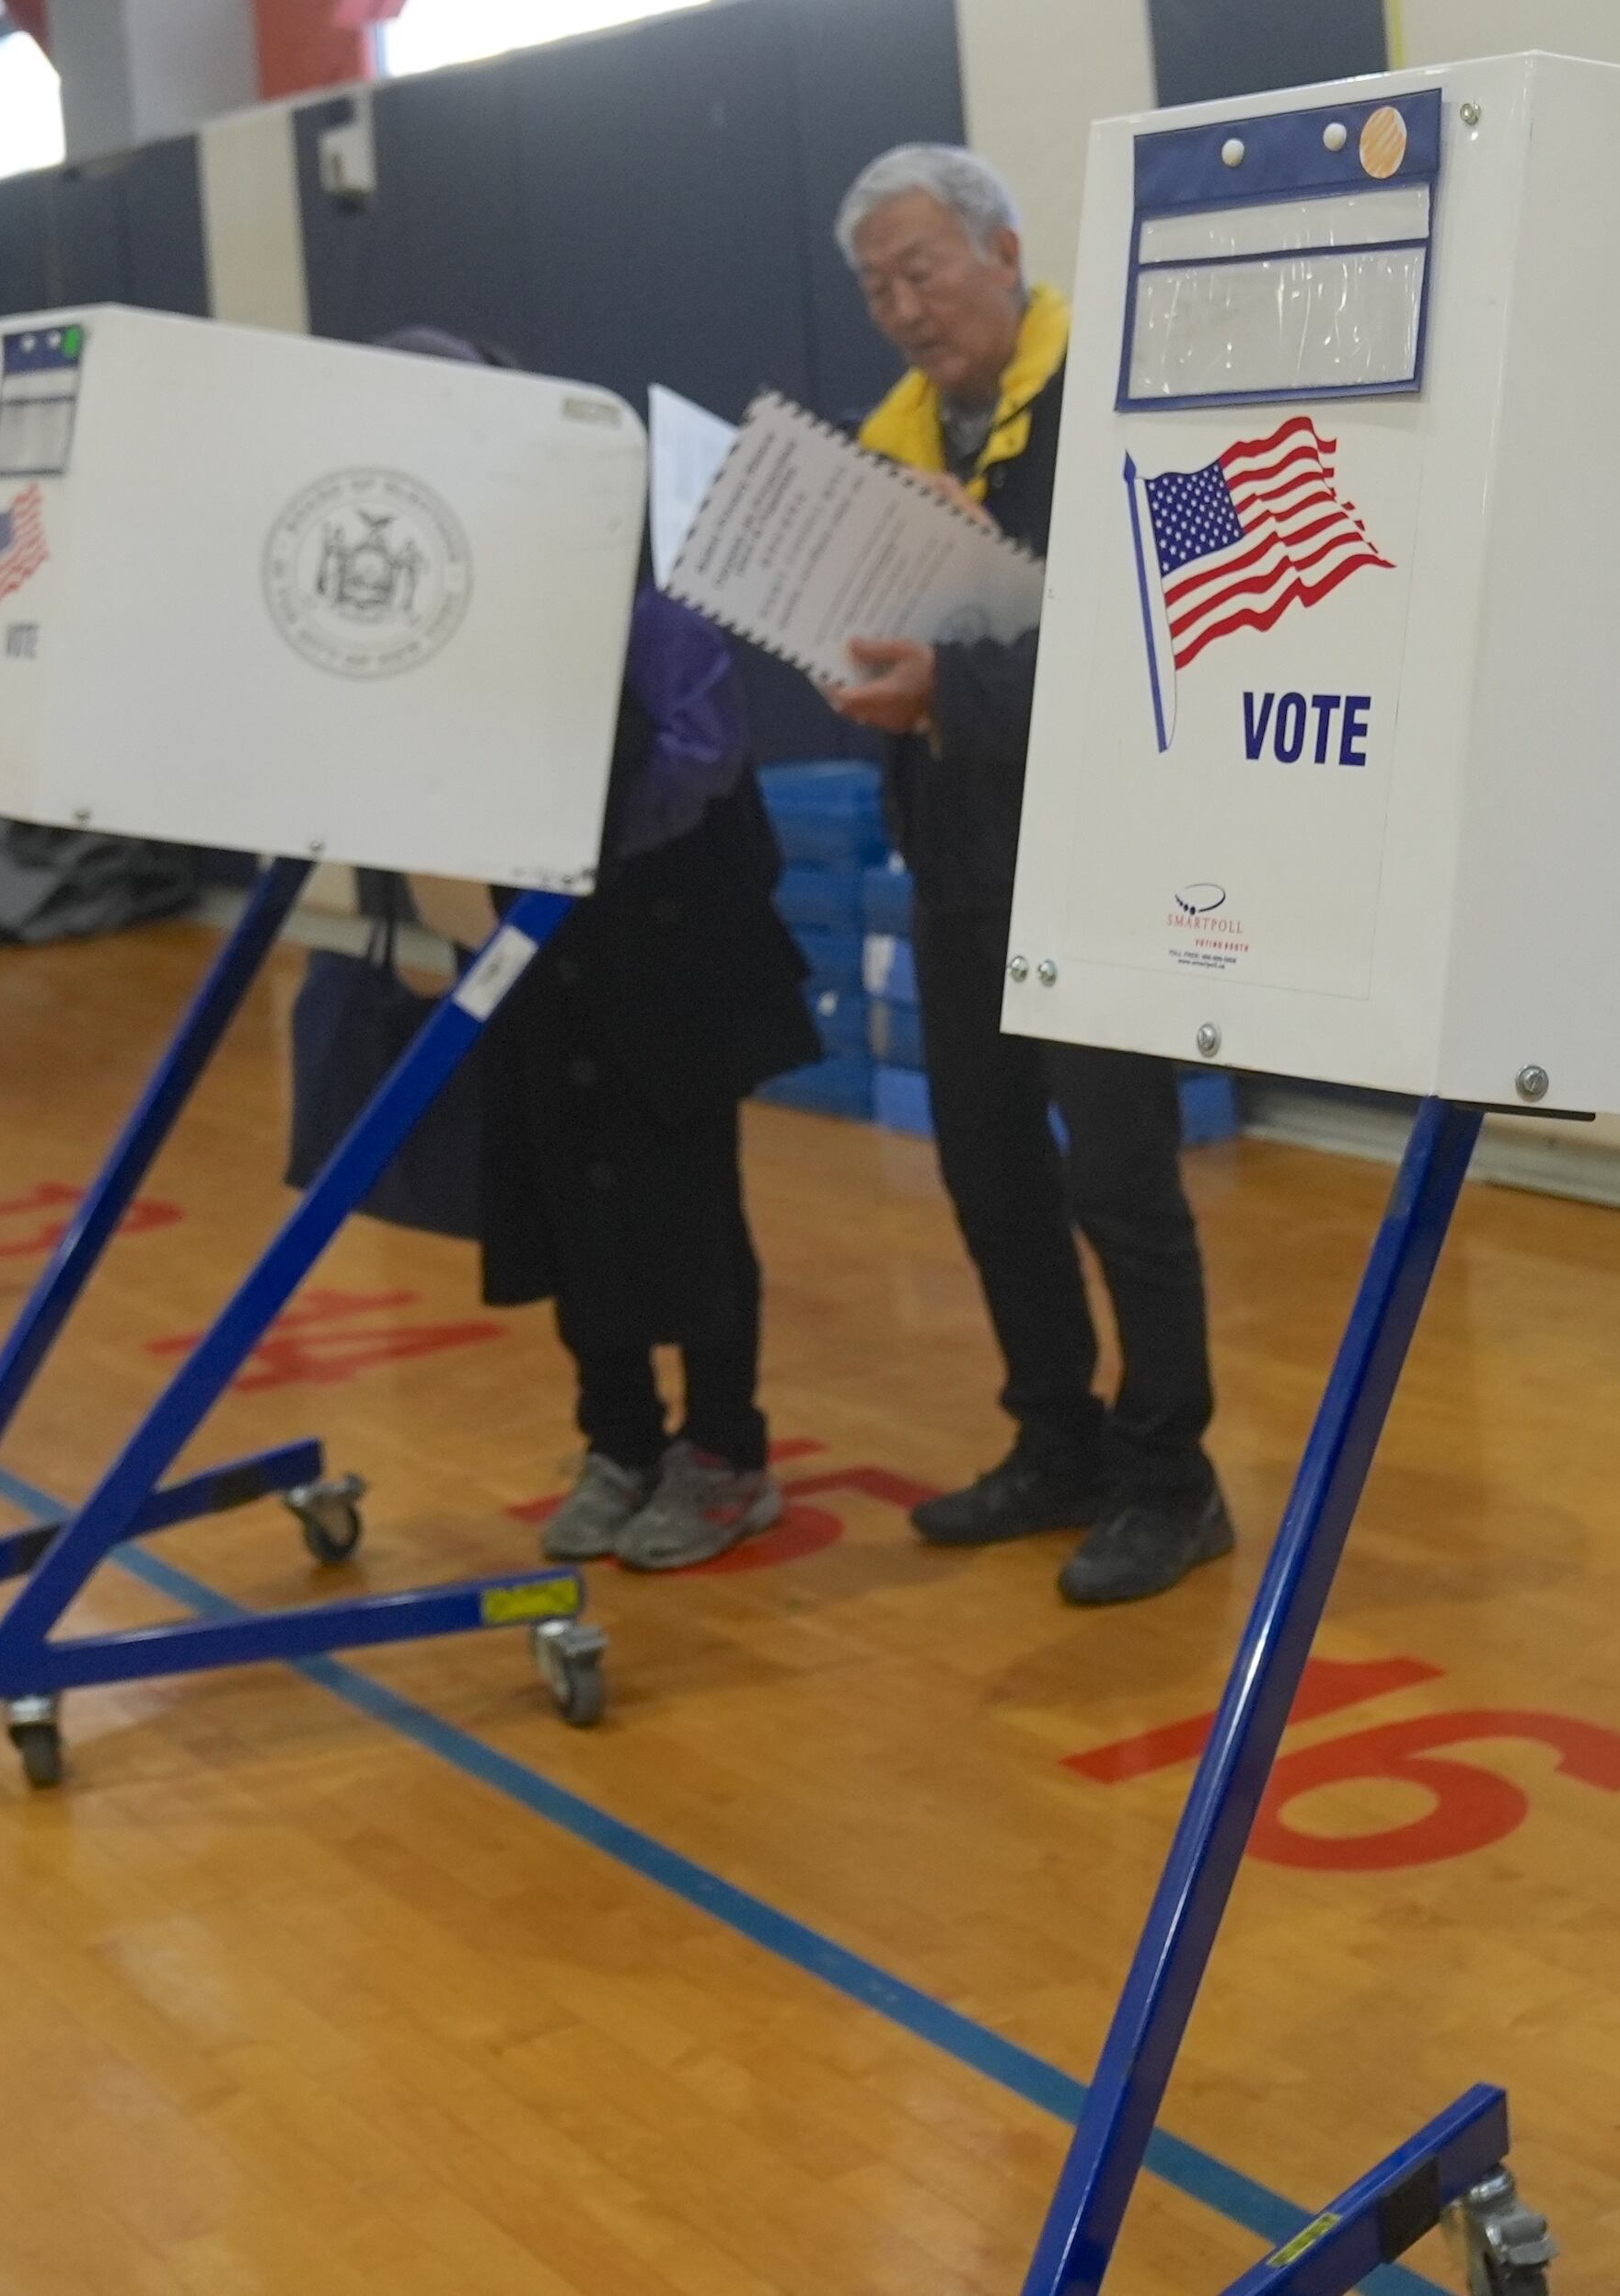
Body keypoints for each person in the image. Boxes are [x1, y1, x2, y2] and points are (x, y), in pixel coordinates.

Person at [823, 145, 1236, 1606]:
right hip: (958, 849)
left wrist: (962, 682)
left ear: (1005, 252)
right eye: (875, 285)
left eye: (921, 269)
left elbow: (1193, 610)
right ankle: (1053, 1442)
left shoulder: (1132, 390)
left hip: (1107, 849)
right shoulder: (891, 435)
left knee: (1122, 1180)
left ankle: (1172, 1481)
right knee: (990, 1168)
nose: (901, 307)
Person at [376, 325, 826, 1573]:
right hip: (534, 950)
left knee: (690, 1210)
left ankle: (728, 1454)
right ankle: (617, 1440)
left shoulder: (627, 562)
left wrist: (560, 819)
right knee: (570, 1208)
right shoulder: (420, 581)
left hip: (662, 947)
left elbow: (704, 751)